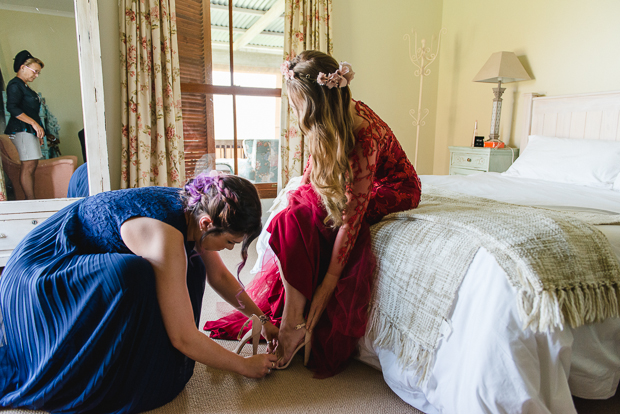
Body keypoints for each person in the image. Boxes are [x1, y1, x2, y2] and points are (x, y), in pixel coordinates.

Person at [205, 50, 422, 377]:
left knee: (326, 218)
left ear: (318, 105)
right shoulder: (328, 119)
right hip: (356, 179)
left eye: (298, 106)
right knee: (291, 214)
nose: (296, 113)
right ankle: (293, 319)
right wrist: (295, 202)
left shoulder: (366, 134)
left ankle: (295, 324)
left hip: (392, 186)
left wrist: (327, 286)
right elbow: (311, 175)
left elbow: (352, 217)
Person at [0, 172, 279, 413]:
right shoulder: (164, 235)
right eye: (229, 241)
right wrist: (243, 366)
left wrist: (263, 320)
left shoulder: (198, 208)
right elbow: (182, 337)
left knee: (193, 267)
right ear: (207, 223)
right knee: (130, 274)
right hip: (41, 273)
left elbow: (219, 276)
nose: (230, 249)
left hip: (73, 251)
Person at [4, 50, 45, 200]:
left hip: (27, 130)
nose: (36, 75)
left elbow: (31, 111)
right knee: (28, 166)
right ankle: (31, 201)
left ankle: (31, 199)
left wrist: (38, 131)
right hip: (20, 130)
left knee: (31, 165)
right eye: (35, 71)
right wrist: (34, 124)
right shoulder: (15, 85)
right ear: (22, 67)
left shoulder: (24, 86)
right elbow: (12, 108)